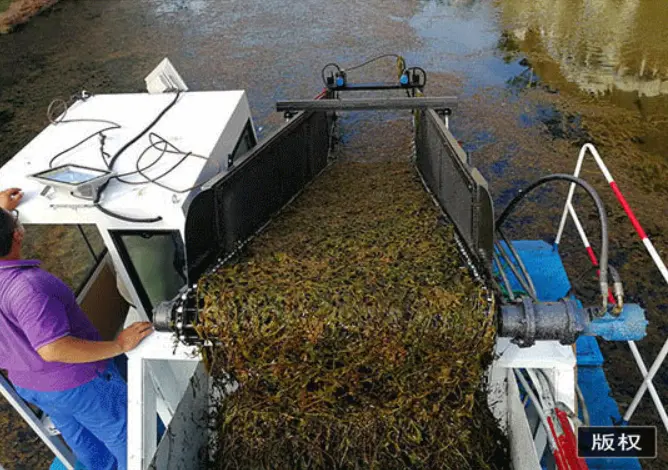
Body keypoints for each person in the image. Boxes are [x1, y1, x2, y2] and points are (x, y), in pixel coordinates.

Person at [0, 187, 154, 470]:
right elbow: (53, 348)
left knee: (81, 438)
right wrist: (119, 345)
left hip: (28, 384)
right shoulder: (28, 288)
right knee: (129, 435)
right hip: (76, 381)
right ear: (18, 235)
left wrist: (4, 213)